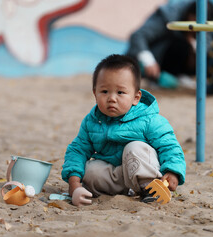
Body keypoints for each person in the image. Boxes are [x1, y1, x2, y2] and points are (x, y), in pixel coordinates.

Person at [62, 54, 186, 206]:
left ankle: (149, 188)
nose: (112, 98)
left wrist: (173, 171)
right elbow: (78, 150)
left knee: (134, 147)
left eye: (120, 92)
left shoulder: (149, 120)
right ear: (95, 93)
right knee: (90, 170)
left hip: (142, 170)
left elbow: (170, 146)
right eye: (105, 91)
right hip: (116, 176)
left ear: (136, 97)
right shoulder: (91, 121)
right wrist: (74, 184)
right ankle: (119, 191)